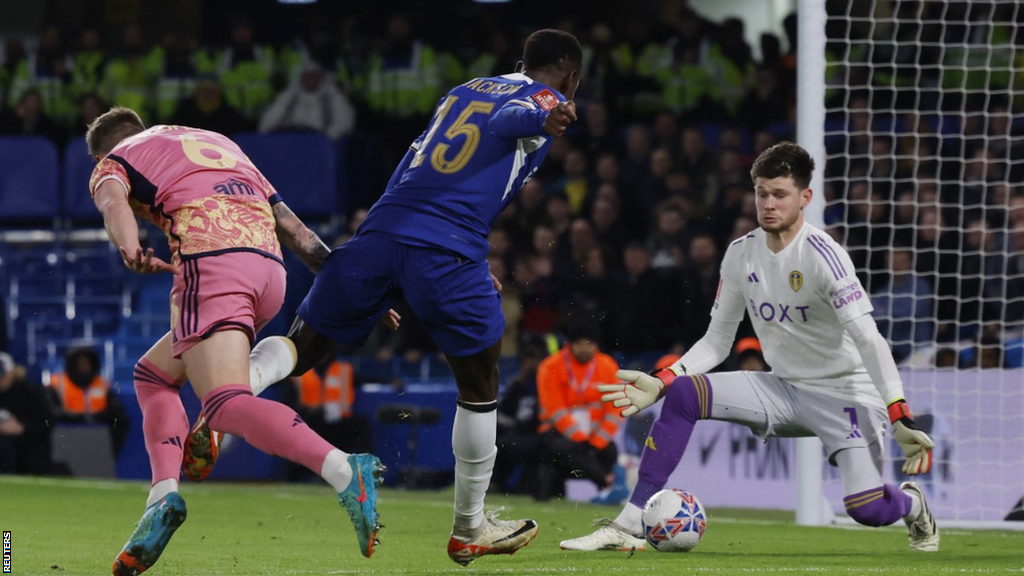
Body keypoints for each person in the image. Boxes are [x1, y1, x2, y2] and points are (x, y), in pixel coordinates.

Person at [283, 29, 582, 566]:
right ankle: (470, 526)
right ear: (571, 74)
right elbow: (508, 120)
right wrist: (546, 115)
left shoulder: (464, 89)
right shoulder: (547, 96)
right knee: (480, 379)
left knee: (302, 349)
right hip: (444, 247)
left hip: (384, 231)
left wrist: (381, 239)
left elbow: (415, 158)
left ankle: (224, 396)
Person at [559, 142, 939, 553]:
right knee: (686, 394)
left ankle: (912, 503)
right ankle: (629, 525)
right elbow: (718, 341)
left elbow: (869, 339)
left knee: (866, 509)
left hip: (845, 395)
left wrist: (897, 409)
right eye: (761, 193)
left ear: (805, 198)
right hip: (782, 388)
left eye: (780, 194)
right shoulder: (741, 254)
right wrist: (664, 380)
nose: (769, 204)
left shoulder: (825, 257)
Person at [85, 107, 392, 575]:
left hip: (211, 264)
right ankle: (161, 498)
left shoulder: (115, 160)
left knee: (225, 404)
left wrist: (129, 248)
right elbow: (296, 231)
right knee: (153, 374)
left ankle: (344, 469)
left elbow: (113, 204)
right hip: (270, 275)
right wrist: (352, 288)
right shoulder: (220, 144)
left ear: (107, 148)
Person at [534, 321, 622, 501]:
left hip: (594, 435)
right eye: (579, 343)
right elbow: (555, 411)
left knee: (609, 450)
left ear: (597, 345)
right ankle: (607, 482)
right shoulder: (550, 366)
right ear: (569, 344)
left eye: (589, 343)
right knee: (563, 449)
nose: (584, 348)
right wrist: (580, 440)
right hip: (558, 434)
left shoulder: (608, 366)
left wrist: (596, 441)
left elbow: (615, 410)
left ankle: (604, 495)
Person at [48, 346, 130, 457]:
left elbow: (115, 409)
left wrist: (96, 416)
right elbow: (51, 411)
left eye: (87, 363)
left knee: (121, 420)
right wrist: (76, 417)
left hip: (97, 428)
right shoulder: (57, 383)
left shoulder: (101, 384)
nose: (84, 366)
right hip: (66, 428)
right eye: (80, 363)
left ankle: (107, 456)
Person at [0, 352, 54, 475]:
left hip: (32, 458)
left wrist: (23, 428)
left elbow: (47, 422)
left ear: (12, 372)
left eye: (3, 375)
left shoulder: (30, 392)